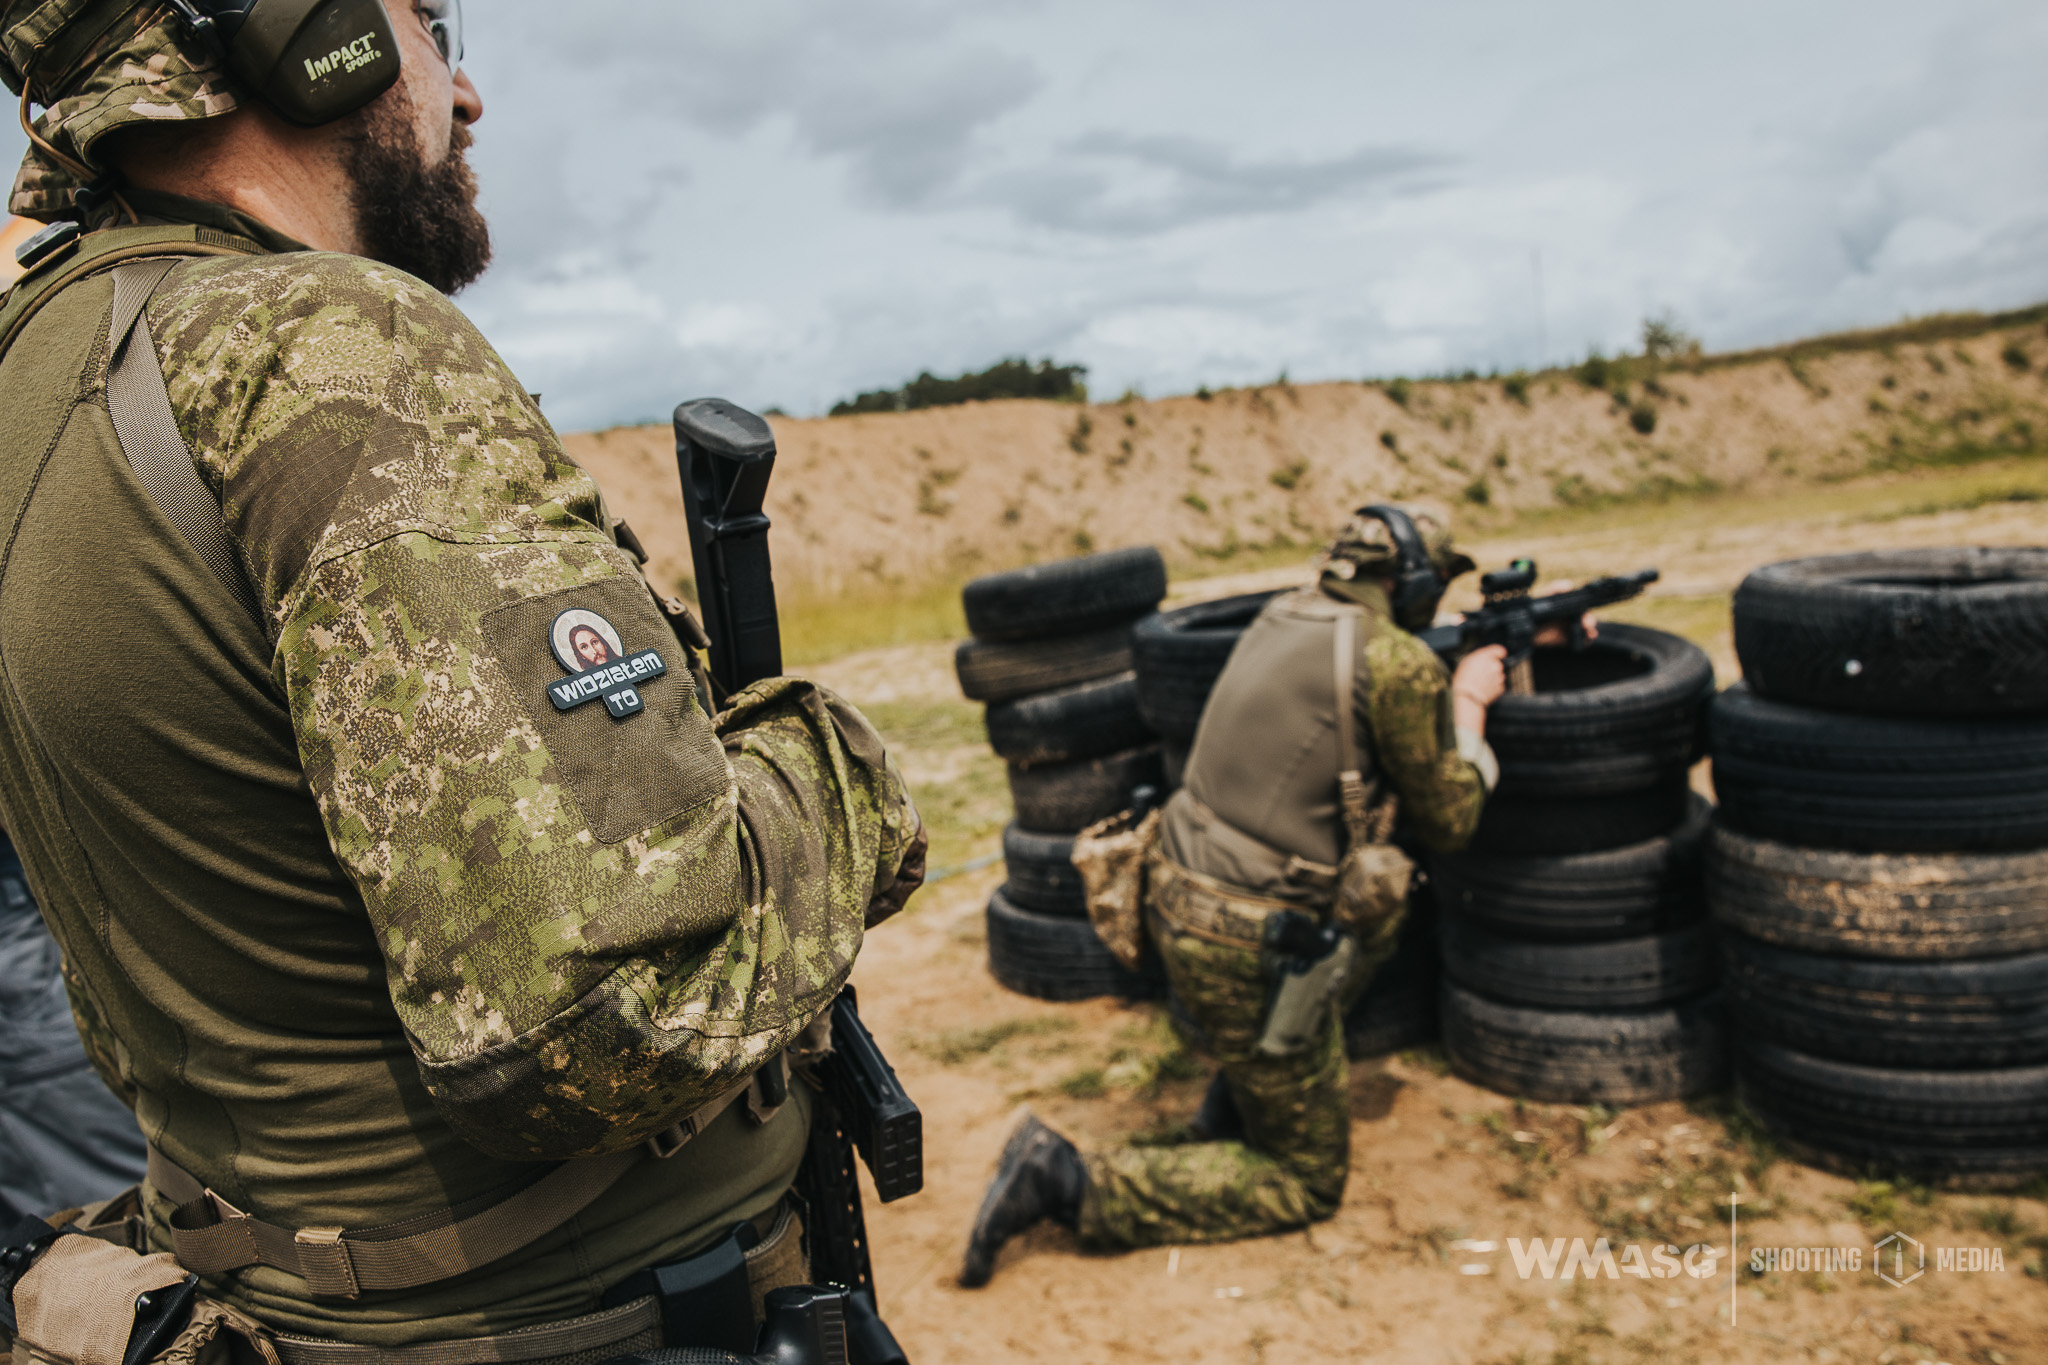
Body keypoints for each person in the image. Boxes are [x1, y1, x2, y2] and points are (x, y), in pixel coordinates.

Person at [0, 0, 922, 1353]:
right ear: (298, 31)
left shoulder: (34, 371)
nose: (468, 91)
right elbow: (612, 1020)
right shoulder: (324, 355)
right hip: (575, 1319)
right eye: (433, 22)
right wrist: (828, 771)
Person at [961, 505, 1576, 1285]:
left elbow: (1364, 674)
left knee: (1377, 911)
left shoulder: (1287, 613)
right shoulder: (1398, 665)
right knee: (1304, 1178)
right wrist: (1471, 702)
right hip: (1247, 940)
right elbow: (1451, 817)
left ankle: (1241, 1098)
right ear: (1409, 582)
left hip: (1172, 894)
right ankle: (1070, 1183)